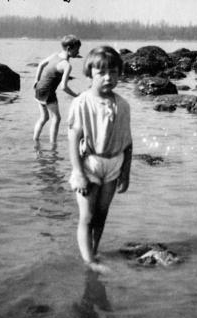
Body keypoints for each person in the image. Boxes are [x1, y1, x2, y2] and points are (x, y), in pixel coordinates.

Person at [68, 46, 133, 272]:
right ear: (90, 74)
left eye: (113, 72)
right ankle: (90, 262)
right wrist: (78, 172)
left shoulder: (123, 105)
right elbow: (73, 139)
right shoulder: (82, 102)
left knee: (102, 215)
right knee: (87, 216)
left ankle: (94, 251)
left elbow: (128, 142)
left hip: (114, 163)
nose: (108, 78)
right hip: (90, 163)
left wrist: (126, 172)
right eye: (101, 73)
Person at [33, 34, 81, 144]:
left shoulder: (55, 55)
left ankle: (35, 140)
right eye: (77, 50)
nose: (78, 52)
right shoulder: (66, 65)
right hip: (48, 92)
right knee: (56, 118)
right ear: (69, 49)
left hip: (39, 88)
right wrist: (76, 96)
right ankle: (53, 145)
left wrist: (36, 81)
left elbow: (40, 64)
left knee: (44, 118)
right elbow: (63, 87)